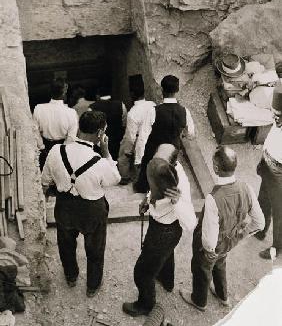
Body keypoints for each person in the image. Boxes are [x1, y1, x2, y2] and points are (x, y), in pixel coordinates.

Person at [41, 111, 121, 297]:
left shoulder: (55, 151)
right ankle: (92, 286)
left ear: (79, 127)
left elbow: (45, 181)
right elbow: (116, 178)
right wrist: (107, 152)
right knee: (95, 248)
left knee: (66, 244)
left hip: (64, 206)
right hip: (92, 210)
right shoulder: (100, 162)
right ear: (100, 133)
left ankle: (71, 276)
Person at [179, 146, 265, 312]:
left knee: (202, 269)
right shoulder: (246, 187)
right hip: (230, 240)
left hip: (213, 244)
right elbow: (259, 222)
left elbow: (209, 234)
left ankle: (199, 300)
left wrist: (209, 249)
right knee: (220, 264)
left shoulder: (214, 198)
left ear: (216, 168)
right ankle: (222, 296)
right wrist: (240, 235)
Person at [122, 144, 197, 317]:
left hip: (166, 230)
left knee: (142, 272)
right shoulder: (162, 169)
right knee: (166, 254)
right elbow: (155, 186)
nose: (155, 162)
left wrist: (177, 202)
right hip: (160, 225)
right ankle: (167, 281)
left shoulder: (180, 186)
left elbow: (191, 222)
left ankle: (145, 305)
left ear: (173, 162)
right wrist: (147, 201)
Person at [133, 75, 195, 193]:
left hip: (154, 150)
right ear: (177, 90)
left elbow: (143, 137)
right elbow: (191, 134)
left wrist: (138, 159)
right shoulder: (185, 111)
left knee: (148, 174)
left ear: (162, 90)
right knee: (167, 172)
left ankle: (145, 189)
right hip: (172, 152)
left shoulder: (154, 111)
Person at [255, 84, 282, 259]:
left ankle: (277, 249)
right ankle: (260, 228)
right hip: (268, 165)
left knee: (280, 212)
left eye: (278, 115)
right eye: (274, 113)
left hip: (280, 173)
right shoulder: (278, 122)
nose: (275, 117)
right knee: (263, 199)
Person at [33, 78, 78, 171]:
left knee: (44, 180)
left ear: (50, 91)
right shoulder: (71, 113)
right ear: (65, 91)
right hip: (63, 151)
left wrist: (42, 147)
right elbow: (71, 137)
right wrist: (62, 152)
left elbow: (34, 130)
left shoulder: (39, 109)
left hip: (45, 149)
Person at [118, 74, 156, 185]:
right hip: (155, 147)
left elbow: (130, 139)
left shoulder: (132, 113)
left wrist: (127, 154)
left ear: (131, 94)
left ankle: (125, 178)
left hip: (142, 151)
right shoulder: (153, 105)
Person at [88, 89, 127, 161]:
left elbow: (91, 127)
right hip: (117, 141)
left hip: (100, 143)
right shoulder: (121, 105)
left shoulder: (92, 107)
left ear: (97, 96)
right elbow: (124, 124)